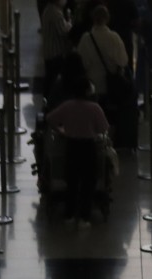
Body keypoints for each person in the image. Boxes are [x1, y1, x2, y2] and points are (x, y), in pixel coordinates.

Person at [45, 77, 109, 225]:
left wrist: (62, 130)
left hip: (72, 146)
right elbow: (103, 128)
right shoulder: (94, 108)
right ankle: (85, 217)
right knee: (88, 182)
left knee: (72, 181)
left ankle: (69, 214)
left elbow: (50, 119)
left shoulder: (67, 106)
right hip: (88, 147)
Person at [77, 4, 130, 105]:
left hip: (93, 86)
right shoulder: (114, 37)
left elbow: (82, 63)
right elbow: (123, 61)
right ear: (107, 18)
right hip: (112, 87)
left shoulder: (86, 38)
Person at [40, 0, 73, 95]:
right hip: (55, 52)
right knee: (52, 78)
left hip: (49, 50)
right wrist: (70, 23)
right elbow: (63, 31)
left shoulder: (50, 9)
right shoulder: (55, 13)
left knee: (50, 77)